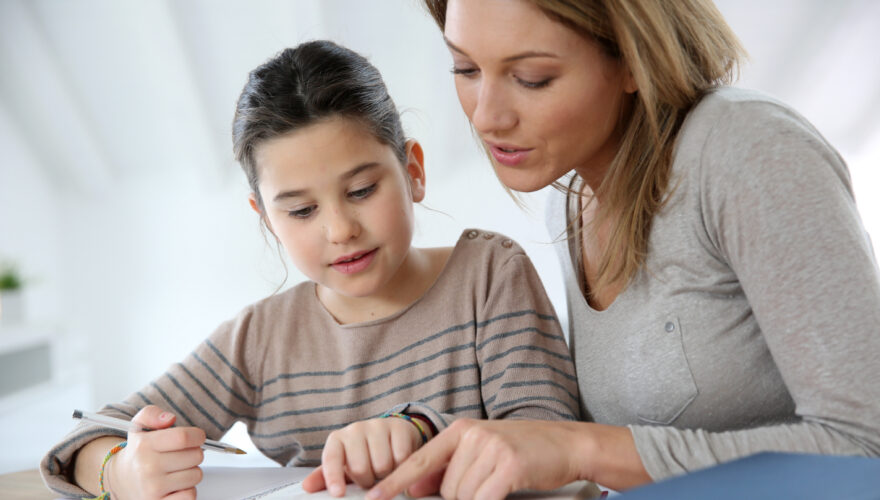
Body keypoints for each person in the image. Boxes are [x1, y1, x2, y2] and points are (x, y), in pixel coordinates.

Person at [360, 1, 880, 499]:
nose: (486, 116)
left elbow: (878, 450)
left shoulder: (748, 151)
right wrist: (418, 430)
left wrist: (583, 448)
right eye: (466, 69)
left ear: (633, 60)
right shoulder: (572, 202)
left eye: (532, 78)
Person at [39, 39, 579, 499]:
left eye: (363, 190)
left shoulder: (488, 276)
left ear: (413, 171)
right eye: (300, 211)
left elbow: (556, 445)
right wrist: (122, 471)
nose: (340, 229)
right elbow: (88, 438)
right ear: (267, 219)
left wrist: (420, 431)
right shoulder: (262, 337)